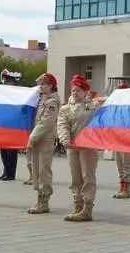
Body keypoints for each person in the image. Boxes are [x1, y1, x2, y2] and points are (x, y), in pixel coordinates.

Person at [56, 75, 100, 222]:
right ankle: (77, 204)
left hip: (88, 146)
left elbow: (101, 123)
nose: (75, 93)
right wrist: (65, 139)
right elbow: (62, 125)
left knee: (88, 176)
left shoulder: (94, 106)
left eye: (78, 90)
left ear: (85, 91)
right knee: (76, 177)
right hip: (72, 146)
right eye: (73, 90)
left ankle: (87, 208)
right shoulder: (65, 108)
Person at [27, 73, 61, 215]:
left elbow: (46, 121)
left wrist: (32, 137)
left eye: (44, 84)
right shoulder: (42, 99)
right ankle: (39, 200)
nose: (40, 86)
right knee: (35, 169)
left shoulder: (52, 102)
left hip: (45, 139)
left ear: (51, 86)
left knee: (43, 171)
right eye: (40, 84)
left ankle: (44, 201)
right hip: (37, 138)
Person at [0, 69, 22, 180]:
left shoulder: (18, 93)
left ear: (14, 83)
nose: (8, 83)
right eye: (6, 82)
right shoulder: (1, 93)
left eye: (10, 82)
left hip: (13, 126)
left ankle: (11, 174)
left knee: (11, 151)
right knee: (3, 151)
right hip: (3, 125)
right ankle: (5, 171)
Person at [112, 82, 130, 199]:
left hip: (127, 138)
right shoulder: (115, 106)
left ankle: (127, 189)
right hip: (117, 137)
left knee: (126, 163)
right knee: (119, 163)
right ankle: (121, 186)